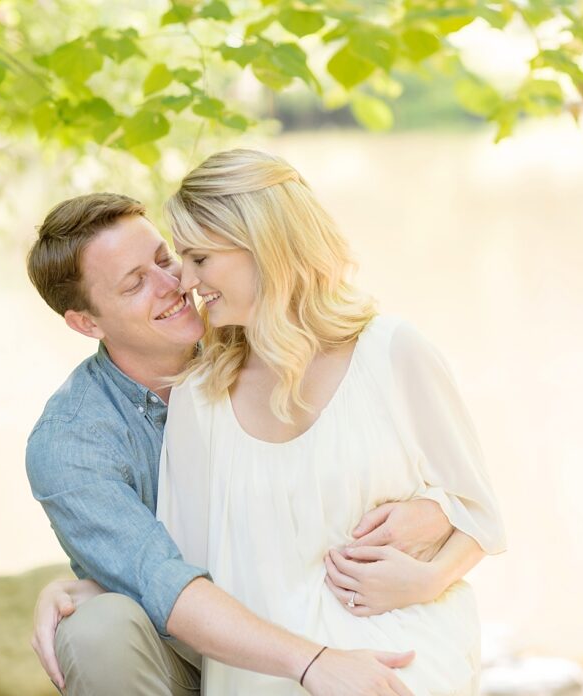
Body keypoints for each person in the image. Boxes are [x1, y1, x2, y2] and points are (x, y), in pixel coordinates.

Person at [24, 192, 466, 695]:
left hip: (321, 606)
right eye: (135, 283)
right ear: (87, 323)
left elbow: (384, 462)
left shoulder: (251, 329)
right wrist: (315, 662)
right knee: (94, 631)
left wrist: (437, 509)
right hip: (184, 650)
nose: (175, 285)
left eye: (165, 258)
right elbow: (163, 582)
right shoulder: (71, 443)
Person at [157, 149, 507, 695]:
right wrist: (88, 585)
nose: (184, 279)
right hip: (266, 671)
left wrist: (428, 578)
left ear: (264, 248)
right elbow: (184, 574)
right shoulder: (201, 397)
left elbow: (481, 515)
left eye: (199, 258)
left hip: (400, 650)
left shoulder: (393, 353)